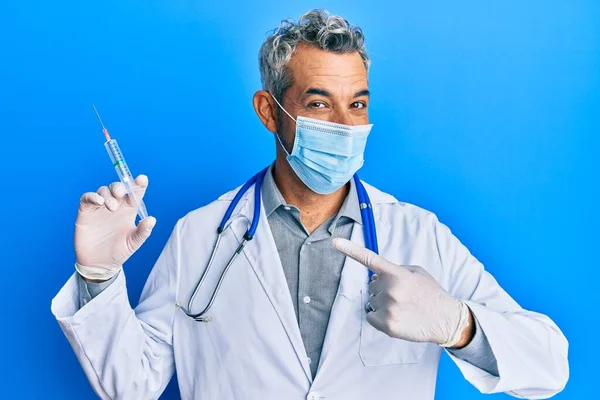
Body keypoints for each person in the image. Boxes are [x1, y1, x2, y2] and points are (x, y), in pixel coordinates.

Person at [51, 9, 568, 400]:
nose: (346, 127)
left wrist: (459, 324)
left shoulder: (418, 234)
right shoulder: (200, 235)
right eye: (319, 103)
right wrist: (96, 274)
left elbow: (549, 367)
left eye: (358, 104)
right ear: (268, 111)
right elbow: (129, 384)